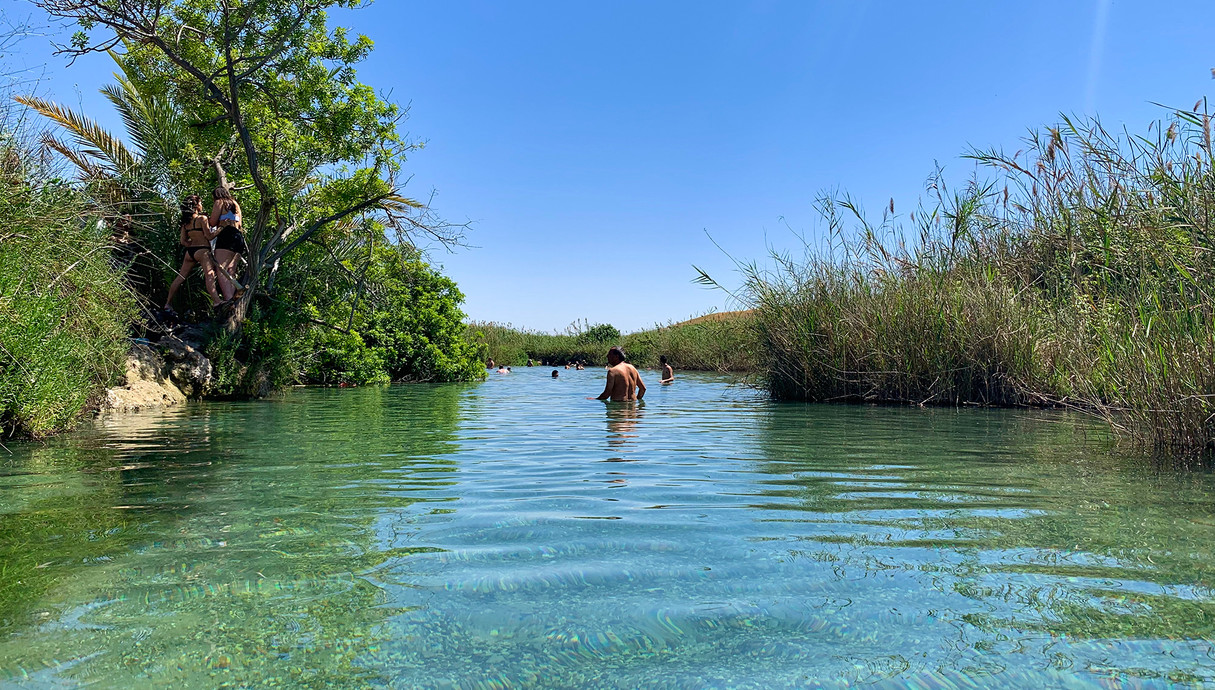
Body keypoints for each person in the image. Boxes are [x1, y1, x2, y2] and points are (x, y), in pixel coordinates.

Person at [164, 194, 224, 312]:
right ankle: (217, 301)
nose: (201, 205)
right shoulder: (202, 219)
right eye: (200, 203)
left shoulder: (185, 223)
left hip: (190, 252)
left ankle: (168, 303)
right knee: (209, 275)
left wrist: (192, 244)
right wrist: (221, 228)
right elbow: (209, 236)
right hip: (203, 251)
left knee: (180, 277)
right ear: (196, 205)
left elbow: (183, 241)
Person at [209, 186, 246, 302]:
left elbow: (212, 222)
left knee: (221, 269)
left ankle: (229, 299)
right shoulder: (236, 204)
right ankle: (234, 299)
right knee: (231, 270)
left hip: (226, 235)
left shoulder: (220, 202)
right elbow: (239, 224)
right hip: (238, 237)